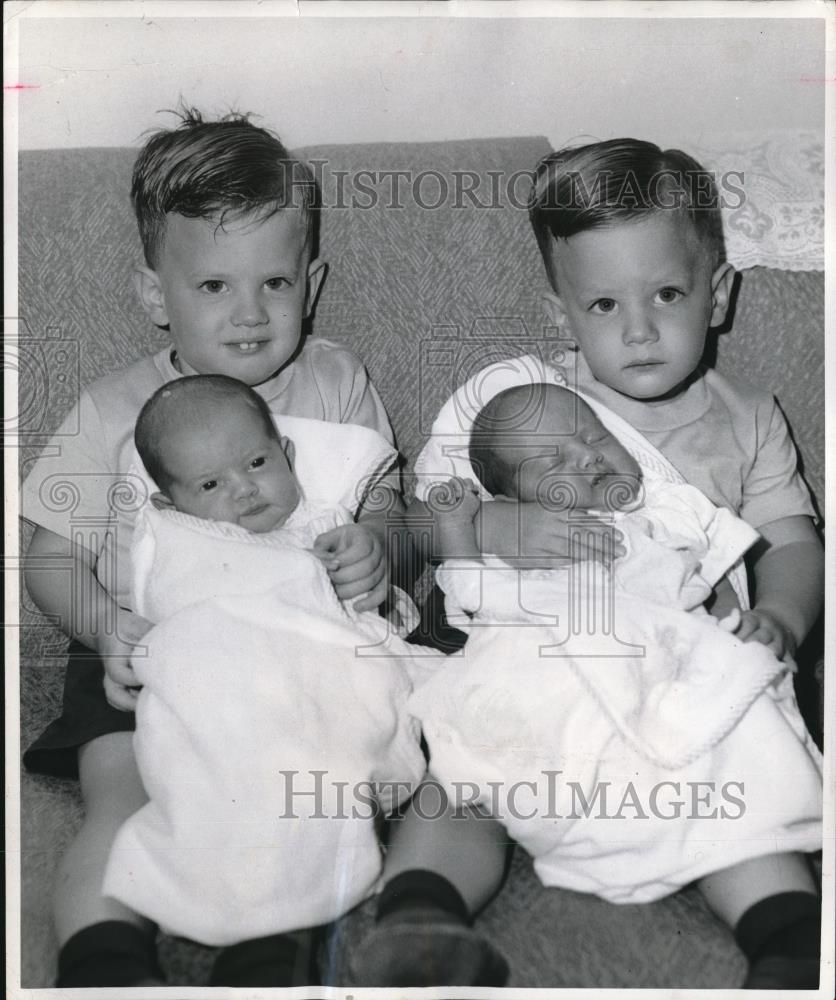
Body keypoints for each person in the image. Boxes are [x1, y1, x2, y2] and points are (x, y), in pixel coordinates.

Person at [358, 138, 824, 990]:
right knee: (466, 772)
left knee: (743, 783)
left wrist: (784, 619)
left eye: (668, 294)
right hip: (536, 659)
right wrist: (498, 525)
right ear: (560, 313)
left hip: (679, 669)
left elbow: (793, 540)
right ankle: (420, 918)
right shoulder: (520, 399)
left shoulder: (750, 418)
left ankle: (786, 937)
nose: (638, 329)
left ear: (717, 296)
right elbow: (425, 522)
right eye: (603, 303)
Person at [20, 107, 405, 988]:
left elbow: (385, 496)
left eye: (274, 283)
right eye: (213, 288)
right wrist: (108, 627)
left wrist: (379, 547)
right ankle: (102, 962)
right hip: (147, 651)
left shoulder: (336, 380)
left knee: (313, 789)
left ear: (312, 283)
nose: (249, 315)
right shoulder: (116, 406)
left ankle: (271, 950)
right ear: (155, 294)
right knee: (119, 793)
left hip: (298, 649)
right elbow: (47, 553)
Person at [96, 373, 425, 964]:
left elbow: (376, 621)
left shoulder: (329, 526)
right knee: (237, 774)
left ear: (287, 456)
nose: (244, 490)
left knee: (316, 766)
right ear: (174, 505)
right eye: (211, 483)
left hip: (324, 683)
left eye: (256, 462)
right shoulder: (181, 540)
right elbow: (175, 619)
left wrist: (369, 573)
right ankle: (260, 922)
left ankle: (278, 930)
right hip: (232, 686)